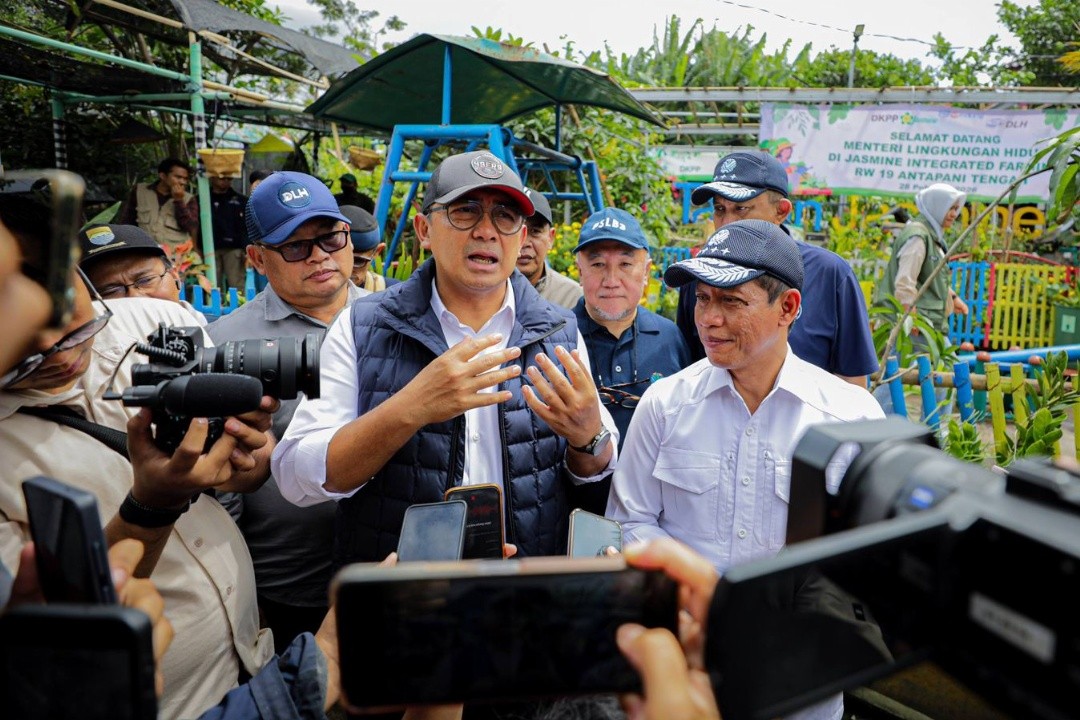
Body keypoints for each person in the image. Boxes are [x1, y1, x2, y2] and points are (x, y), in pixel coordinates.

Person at [0, 194, 280, 719]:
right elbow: (66, 631)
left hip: (253, 659)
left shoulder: (150, 321)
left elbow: (253, 468)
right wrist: (151, 506)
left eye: (78, 326)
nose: (62, 354)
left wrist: (245, 454)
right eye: (25, 356)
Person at [273, 150, 618, 565]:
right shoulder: (361, 326)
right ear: (424, 230)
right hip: (405, 590)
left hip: (527, 588)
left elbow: (596, 466)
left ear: (522, 239)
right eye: (466, 211)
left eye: (505, 216)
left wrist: (588, 436)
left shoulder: (559, 330)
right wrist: (409, 408)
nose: (487, 231)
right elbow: (296, 476)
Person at [608, 219, 884, 720]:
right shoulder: (665, 405)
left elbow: (868, 558)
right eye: (702, 299)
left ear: (789, 308)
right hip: (685, 675)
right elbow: (630, 520)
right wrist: (697, 602)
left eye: (731, 302)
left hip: (802, 685)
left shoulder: (851, 418)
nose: (708, 320)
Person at [208, 171, 366, 654]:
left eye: (329, 238)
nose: (319, 255)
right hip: (285, 581)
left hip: (384, 565)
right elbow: (221, 482)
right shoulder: (226, 342)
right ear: (256, 258)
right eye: (295, 247)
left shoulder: (390, 318)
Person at [680, 151, 877, 387]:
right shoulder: (700, 273)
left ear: (781, 211)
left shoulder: (829, 273)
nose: (728, 223)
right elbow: (688, 368)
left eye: (741, 209)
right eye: (720, 209)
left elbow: (852, 381)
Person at [570, 207, 690, 514]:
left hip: (655, 518)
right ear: (579, 269)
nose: (611, 280)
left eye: (625, 264)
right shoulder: (560, 339)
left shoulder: (669, 337)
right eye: (597, 264)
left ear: (647, 271)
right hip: (574, 515)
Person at [876, 183, 969, 336]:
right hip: (917, 327)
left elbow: (931, 278)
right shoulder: (918, 237)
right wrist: (910, 320)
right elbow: (905, 282)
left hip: (927, 324)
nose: (954, 214)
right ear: (937, 207)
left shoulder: (932, 237)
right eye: (950, 208)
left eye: (956, 209)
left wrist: (952, 298)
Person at [78, 223, 207, 325]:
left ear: (174, 276)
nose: (135, 297)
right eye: (111, 290)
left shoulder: (218, 338)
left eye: (146, 280)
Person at [116, 157, 199, 252]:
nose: (182, 182)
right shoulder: (140, 191)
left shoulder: (189, 199)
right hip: (145, 253)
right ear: (163, 176)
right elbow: (127, 221)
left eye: (185, 179)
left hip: (175, 256)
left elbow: (190, 227)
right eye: (178, 177)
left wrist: (179, 201)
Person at [518, 188, 583, 309]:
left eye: (535, 231)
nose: (524, 243)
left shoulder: (573, 298)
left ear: (550, 238)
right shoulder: (478, 292)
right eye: (517, 231)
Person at [339, 204, 399, 292]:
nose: (347, 269)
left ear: (377, 252)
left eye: (357, 261)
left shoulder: (395, 294)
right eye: (340, 258)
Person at [209, 173, 248, 292]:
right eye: (221, 177)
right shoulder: (202, 199)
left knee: (236, 285)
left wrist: (246, 249)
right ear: (212, 177)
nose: (225, 181)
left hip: (234, 249)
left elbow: (245, 227)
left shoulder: (241, 200)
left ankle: (239, 308)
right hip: (210, 249)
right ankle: (212, 310)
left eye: (228, 178)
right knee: (211, 286)